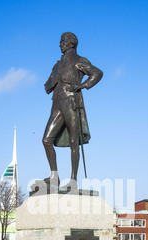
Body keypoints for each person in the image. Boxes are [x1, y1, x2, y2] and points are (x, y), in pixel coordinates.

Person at [42, 32, 103, 190]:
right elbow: (47, 87)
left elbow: (97, 73)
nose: (60, 44)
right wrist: (52, 80)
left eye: (62, 41)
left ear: (71, 43)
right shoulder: (56, 65)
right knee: (46, 140)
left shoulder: (79, 61)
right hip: (57, 104)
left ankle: (73, 180)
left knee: (73, 142)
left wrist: (83, 86)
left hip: (71, 102)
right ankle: (54, 176)